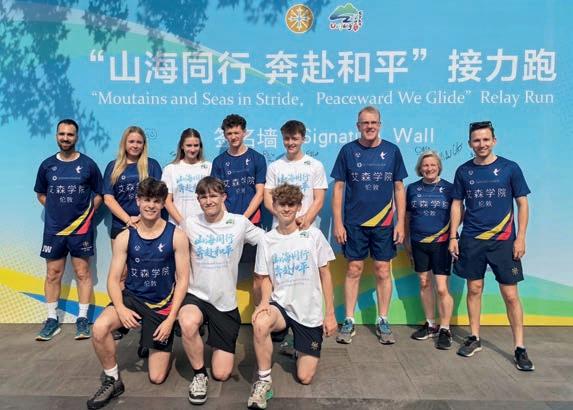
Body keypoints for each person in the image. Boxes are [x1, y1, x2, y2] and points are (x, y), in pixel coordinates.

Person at [86, 178, 190, 409]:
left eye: (156, 201)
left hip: (161, 305)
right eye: (146, 200)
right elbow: (113, 280)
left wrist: (171, 319)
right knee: (99, 328)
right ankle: (112, 379)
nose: (151, 205)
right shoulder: (125, 236)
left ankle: (151, 335)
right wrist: (121, 309)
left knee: (157, 377)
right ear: (138, 201)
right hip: (132, 298)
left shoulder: (177, 236)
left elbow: (183, 280)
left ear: (163, 204)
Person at [449, 120, 534, 371]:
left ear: (494, 141)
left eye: (486, 139)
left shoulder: (510, 168)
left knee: (510, 295)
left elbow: (522, 203)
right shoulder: (463, 171)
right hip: (472, 240)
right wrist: (453, 236)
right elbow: (457, 204)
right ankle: (474, 337)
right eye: (477, 140)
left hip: (504, 241)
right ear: (470, 144)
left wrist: (521, 237)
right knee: (474, 289)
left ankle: (520, 347)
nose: (481, 144)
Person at [248, 184, 337, 409]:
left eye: (291, 204)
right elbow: (265, 277)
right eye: (282, 204)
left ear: (298, 207)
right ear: (274, 206)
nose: (286, 209)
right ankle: (264, 381)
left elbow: (325, 274)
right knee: (261, 322)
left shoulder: (313, 235)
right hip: (281, 305)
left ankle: (297, 345)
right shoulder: (267, 240)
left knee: (305, 377)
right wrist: (264, 302)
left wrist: (330, 313)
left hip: (309, 312)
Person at [179, 176, 264, 405]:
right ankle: (199, 375)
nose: (208, 201)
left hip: (224, 302)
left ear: (224, 197)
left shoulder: (239, 223)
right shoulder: (189, 224)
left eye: (213, 195)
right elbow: (168, 239)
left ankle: (213, 343)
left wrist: (295, 230)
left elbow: (268, 240)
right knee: (187, 322)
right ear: (198, 200)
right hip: (196, 295)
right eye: (203, 197)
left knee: (222, 373)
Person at [331, 106, 407, 345]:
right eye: (365, 123)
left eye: (374, 122)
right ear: (358, 126)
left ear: (380, 125)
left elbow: (398, 188)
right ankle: (349, 320)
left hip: (384, 223)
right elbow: (338, 189)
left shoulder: (392, 151)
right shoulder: (348, 151)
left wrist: (400, 223)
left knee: (383, 270)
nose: (370, 126)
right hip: (354, 223)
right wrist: (338, 223)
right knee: (354, 269)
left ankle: (383, 319)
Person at [34, 119, 103, 341]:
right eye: (62, 134)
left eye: (70, 134)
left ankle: (82, 319)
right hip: (54, 230)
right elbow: (41, 194)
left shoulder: (88, 165)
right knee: (53, 274)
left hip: (81, 230)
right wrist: (55, 210)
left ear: (76, 137)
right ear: (56, 136)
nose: (65, 138)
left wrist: (86, 216)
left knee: (83, 273)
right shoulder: (47, 165)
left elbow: (99, 194)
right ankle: (51, 319)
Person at [405, 151, 454, 349]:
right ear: (420, 168)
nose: (429, 168)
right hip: (418, 242)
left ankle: (445, 329)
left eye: (433, 165)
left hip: (442, 243)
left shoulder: (449, 188)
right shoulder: (412, 189)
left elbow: (459, 213)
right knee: (424, 283)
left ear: (439, 166)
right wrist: (407, 240)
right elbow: (408, 216)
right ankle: (431, 324)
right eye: (425, 165)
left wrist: (453, 237)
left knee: (441, 288)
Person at [264, 120, 327, 229]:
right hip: (280, 228)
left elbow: (319, 200)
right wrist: (286, 219)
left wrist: (305, 218)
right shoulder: (274, 167)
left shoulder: (316, 165)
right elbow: (268, 199)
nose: (290, 143)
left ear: (303, 139)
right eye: (286, 138)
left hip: (306, 227)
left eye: (295, 139)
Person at [103, 126, 162, 240]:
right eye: (131, 141)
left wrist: (142, 218)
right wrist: (128, 220)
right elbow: (108, 199)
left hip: (148, 225)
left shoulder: (152, 165)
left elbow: (159, 196)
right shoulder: (113, 167)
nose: (135, 145)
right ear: (124, 143)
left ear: (143, 145)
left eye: (139, 142)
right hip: (121, 225)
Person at [210, 114, 266, 224]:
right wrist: (228, 218)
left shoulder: (258, 158)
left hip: (252, 220)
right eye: (229, 133)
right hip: (227, 220)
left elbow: (260, 193)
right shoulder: (218, 162)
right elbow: (217, 194)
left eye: (236, 133)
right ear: (224, 135)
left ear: (244, 132)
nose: (233, 137)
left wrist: (243, 219)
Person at [162, 128, 212, 226]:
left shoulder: (209, 167)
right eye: (189, 145)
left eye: (196, 145)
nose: (192, 149)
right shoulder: (170, 169)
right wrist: (183, 223)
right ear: (182, 146)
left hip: (205, 225)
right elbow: (167, 200)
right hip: (178, 226)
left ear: (200, 146)